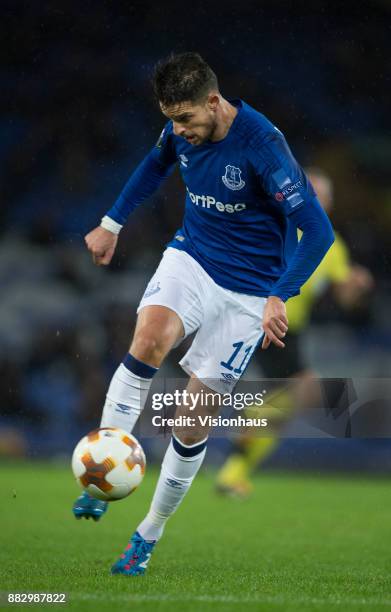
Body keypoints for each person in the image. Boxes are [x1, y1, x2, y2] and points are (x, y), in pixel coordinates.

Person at [72, 52, 334, 575]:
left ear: (213, 103)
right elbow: (154, 164)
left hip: (250, 292)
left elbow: (318, 230)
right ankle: (101, 474)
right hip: (193, 256)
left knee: (191, 423)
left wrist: (281, 294)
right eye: (171, 119)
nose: (178, 130)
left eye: (186, 119)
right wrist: (112, 222)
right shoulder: (180, 128)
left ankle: (149, 532)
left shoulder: (263, 148)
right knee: (148, 337)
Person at [216, 167, 373, 497]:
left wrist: (356, 286)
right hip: (260, 319)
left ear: (329, 202)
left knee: (289, 399)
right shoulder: (277, 227)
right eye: (311, 192)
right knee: (302, 389)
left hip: (289, 331)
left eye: (323, 194)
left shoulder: (330, 243)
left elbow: (345, 296)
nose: (316, 200)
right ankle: (240, 447)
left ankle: (235, 467)